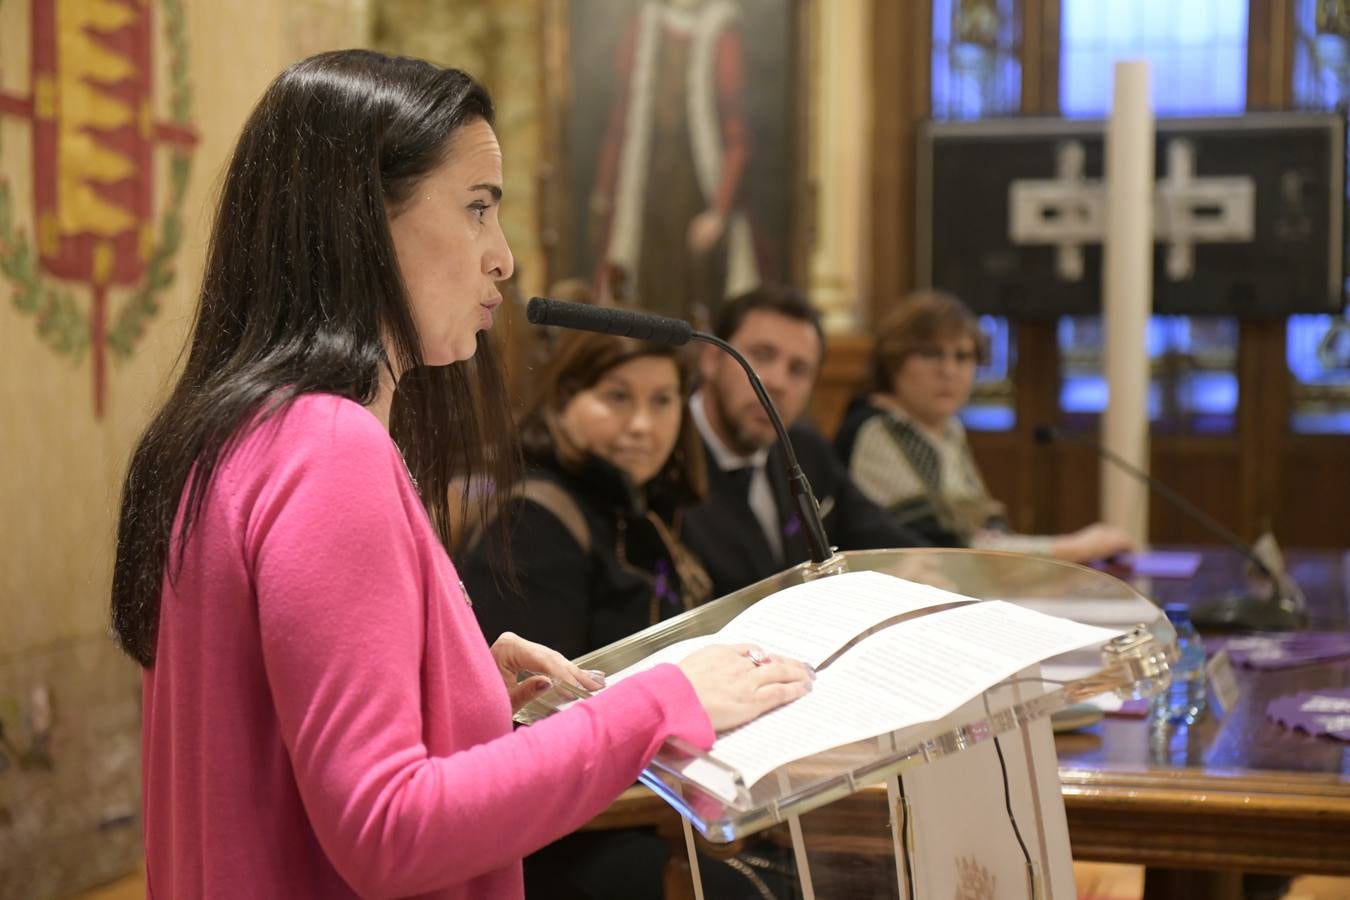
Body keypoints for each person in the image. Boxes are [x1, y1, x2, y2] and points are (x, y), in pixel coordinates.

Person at [108, 50, 811, 900]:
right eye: (478, 209)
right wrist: (657, 703)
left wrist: (459, 684)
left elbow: (268, 733)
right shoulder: (329, 448)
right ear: (361, 218)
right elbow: (387, 830)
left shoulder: (235, 429)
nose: (504, 259)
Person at [461, 328, 711, 663]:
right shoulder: (533, 523)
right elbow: (535, 704)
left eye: (662, 400)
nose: (642, 425)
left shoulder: (643, 498)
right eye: (618, 396)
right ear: (565, 400)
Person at [835, 289, 1135, 564]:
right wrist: (1072, 549)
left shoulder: (947, 428)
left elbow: (983, 522)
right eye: (930, 353)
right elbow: (944, 546)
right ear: (893, 361)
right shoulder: (876, 429)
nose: (948, 371)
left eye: (963, 356)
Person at [682, 285, 931, 598]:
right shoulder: (661, 458)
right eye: (761, 356)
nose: (778, 382)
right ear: (711, 359)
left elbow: (886, 537)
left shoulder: (805, 449)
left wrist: (909, 566)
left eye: (798, 370)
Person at [590, 0, 761, 322]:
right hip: (647, 184)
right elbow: (621, 120)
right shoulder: (645, 26)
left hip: (695, 188)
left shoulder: (721, 32)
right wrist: (604, 187)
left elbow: (737, 137)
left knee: (690, 298)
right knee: (642, 287)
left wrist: (719, 211)